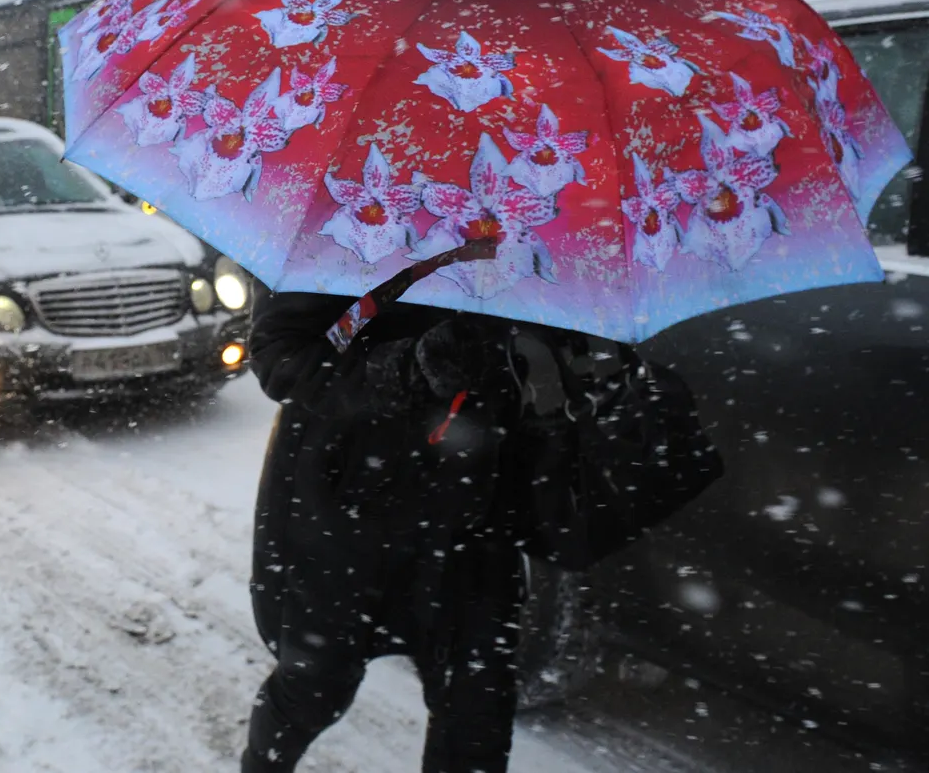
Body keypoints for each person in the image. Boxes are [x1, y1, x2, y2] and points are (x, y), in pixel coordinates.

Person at [241, 288, 720, 773]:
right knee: (315, 685)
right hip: (348, 509)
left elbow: (565, 356)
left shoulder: (545, 231)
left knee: (477, 715)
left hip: (480, 510)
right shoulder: (353, 225)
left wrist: (586, 358)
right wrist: (408, 366)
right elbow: (286, 356)